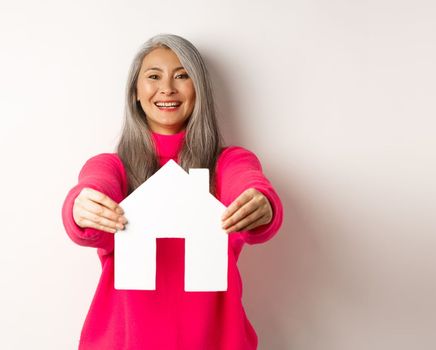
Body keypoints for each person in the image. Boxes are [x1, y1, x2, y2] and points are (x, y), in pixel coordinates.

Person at [60, 33, 284, 349]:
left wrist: (263, 204)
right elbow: (92, 188)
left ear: (199, 91)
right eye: (153, 76)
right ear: (135, 92)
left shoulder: (227, 162)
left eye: (182, 75)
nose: (167, 88)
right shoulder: (113, 166)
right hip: (125, 340)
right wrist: (81, 206)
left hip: (215, 340)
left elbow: (250, 186)